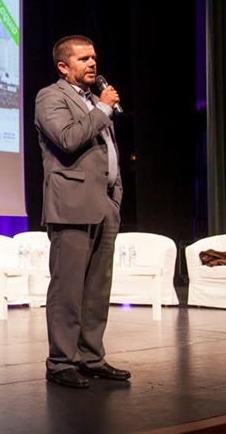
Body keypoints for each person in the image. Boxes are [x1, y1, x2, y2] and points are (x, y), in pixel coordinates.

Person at [34, 35, 131, 388]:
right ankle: (61, 362)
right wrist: (103, 110)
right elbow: (68, 139)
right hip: (71, 205)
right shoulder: (50, 97)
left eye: (94, 57)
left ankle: (91, 357)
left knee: (97, 288)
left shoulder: (93, 101)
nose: (93, 64)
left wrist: (115, 194)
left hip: (104, 202)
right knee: (68, 288)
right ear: (63, 66)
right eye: (83, 59)